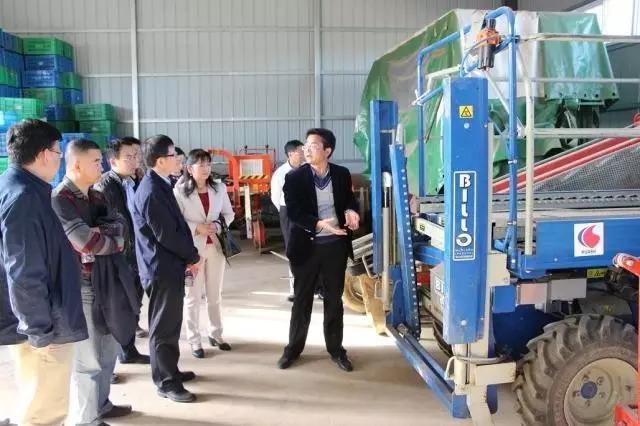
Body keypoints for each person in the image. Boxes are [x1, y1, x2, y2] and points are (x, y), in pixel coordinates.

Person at [0, 120, 88, 426]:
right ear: (43, 155)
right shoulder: (25, 198)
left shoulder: (15, 186)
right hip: (45, 323)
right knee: (45, 410)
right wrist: (38, 330)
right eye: (57, 152)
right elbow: (23, 271)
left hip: (35, 319)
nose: (59, 159)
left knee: (35, 395)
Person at [52, 138, 135, 425]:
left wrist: (107, 235)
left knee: (108, 350)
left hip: (106, 280)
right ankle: (86, 419)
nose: (101, 166)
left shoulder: (97, 196)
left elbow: (122, 228)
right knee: (87, 359)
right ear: (76, 165)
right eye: (96, 161)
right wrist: (107, 236)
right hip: (81, 285)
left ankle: (102, 404)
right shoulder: (60, 199)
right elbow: (86, 242)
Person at [277, 128, 359, 372]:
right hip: (306, 247)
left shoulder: (341, 174)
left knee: (334, 300)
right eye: (306, 145)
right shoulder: (294, 177)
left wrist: (351, 212)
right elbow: (294, 212)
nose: (307, 149)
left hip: (335, 247)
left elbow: (349, 201)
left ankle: (336, 350)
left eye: (313, 145)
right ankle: (293, 349)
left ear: (327, 150)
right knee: (302, 300)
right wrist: (318, 224)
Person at [132, 135, 201, 403]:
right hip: (160, 268)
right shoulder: (151, 190)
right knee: (162, 327)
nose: (178, 159)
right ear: (161, 161)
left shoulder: (161, 183)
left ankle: (170, 369)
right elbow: (166, 234)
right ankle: (165, 382)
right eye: (174, 155)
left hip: (169, 265)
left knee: (171, 323)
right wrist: (192, 256)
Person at [173, 149, 235, 359]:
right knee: (192, 296)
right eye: (201, 165)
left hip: (216, 247)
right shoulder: (179, 191)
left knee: (214, 294)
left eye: (208, 164)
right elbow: (176, 221)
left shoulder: (219, 188)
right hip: (192, 251)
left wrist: (218, 225)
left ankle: (216, 334)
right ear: (190, 169)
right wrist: (195, 228)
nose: (206, 169)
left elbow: (229, 214)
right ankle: (194, 340)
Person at [94, 138, 150, 364]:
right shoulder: (106, 186)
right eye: (129, 157)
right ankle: (113, 360)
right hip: (119, 255)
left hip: (136, 252)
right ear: (112, 161)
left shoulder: (133, 181)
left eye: (137, 156)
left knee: (133, 303)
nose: (135, 160)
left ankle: (128, 350)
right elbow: (113, 222)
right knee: (117, 307)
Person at [270, 140, 304, 302]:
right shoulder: (280, 173)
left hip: (308, 212)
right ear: (290, 154)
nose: (303, 153)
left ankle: (317, 287)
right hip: (289, 212)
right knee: (293, 250)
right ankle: (295, 290)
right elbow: (276, 197)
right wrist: (287, 212)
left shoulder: (308, 168)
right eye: (300, 151)